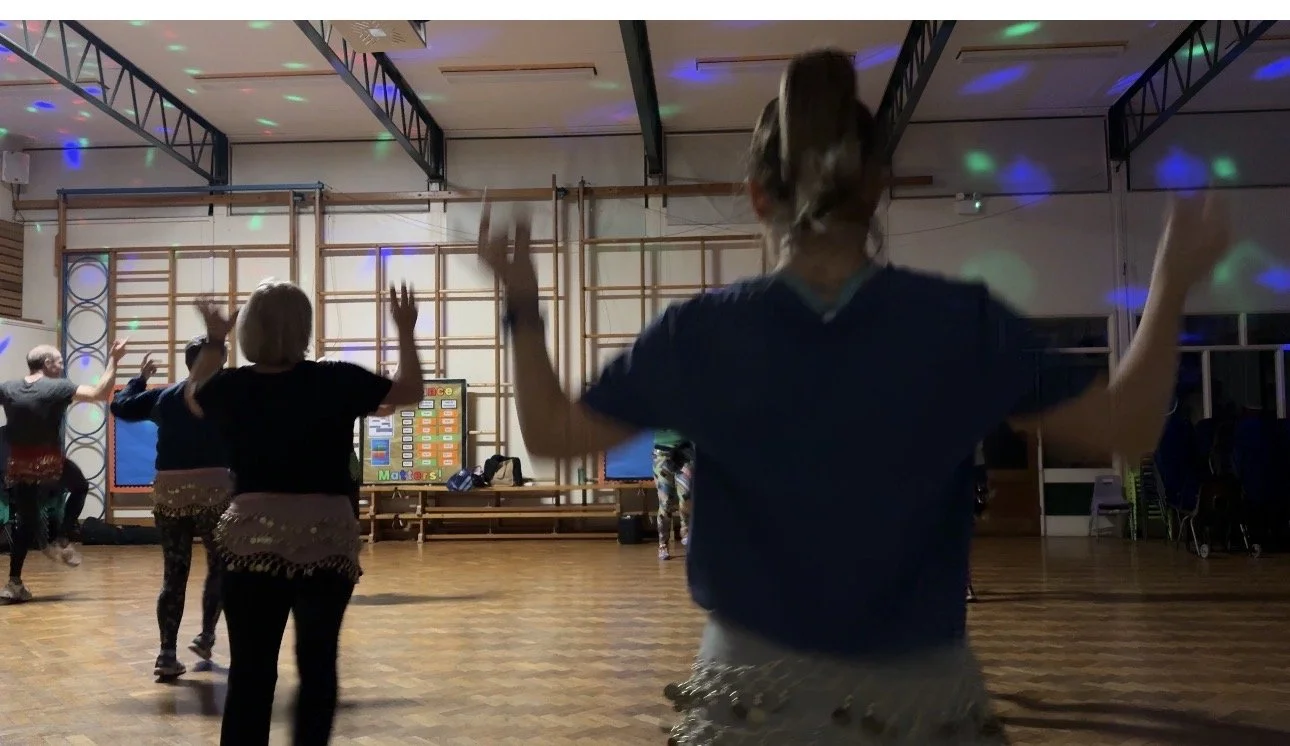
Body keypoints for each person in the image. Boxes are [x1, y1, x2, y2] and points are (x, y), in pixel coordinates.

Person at [478, 48, 1231, 744]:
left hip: (749, 701)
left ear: (756, 196)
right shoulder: (957, 323)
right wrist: (1170, 282)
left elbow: (549, 435)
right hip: (920, 705)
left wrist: (521, 302)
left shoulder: (701, 334)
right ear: (877, 187)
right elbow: (1130, 427)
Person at [184, 280, 425, 746]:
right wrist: (405, 330)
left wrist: (215, 339)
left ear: (249, 329)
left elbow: (194, 396)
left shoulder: (233, 386)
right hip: (325, 539)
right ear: (304, 328)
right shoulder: (335, 379)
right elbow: (411, 390)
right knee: (318, 668)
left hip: (251, 540)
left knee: (251, 672)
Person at [111, 339, 232, 679]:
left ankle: (166, 653)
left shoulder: (164, 396)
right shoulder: (229, 396)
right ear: (220, 362)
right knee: (220, 566)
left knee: (173, 574)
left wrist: (139, 379)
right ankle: (206, 636)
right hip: (215, 492)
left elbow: (120, 407)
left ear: (187, 362)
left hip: (170, 493)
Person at [0, 341, 126, 603]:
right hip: (49, 462)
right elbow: (100, 393)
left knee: (25, 522)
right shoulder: (57, 387)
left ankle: (14, 583)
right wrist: (114, 359)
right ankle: (61, 539)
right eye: (58, 361)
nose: (61, 365)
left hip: (19, 464)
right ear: (47, 363)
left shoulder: (8, 387)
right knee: (80, 486)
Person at [653, 430, 693, 560]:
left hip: (685, 454)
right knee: (665, 502)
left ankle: (685, 531)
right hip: (662, 455)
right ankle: (663, 544)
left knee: (686, 494)